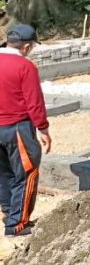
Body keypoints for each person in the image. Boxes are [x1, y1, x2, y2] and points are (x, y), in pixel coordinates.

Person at [0, 24, 51, 238]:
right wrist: (43, 128)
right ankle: (17, 224)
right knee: (27, 172)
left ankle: (8, 211)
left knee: (3, 172)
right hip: (16, 127)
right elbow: (34, 101)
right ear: (27, 46)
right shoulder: (25, 66)